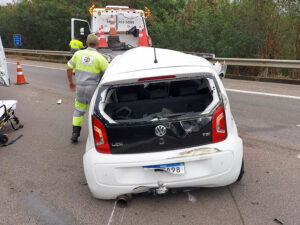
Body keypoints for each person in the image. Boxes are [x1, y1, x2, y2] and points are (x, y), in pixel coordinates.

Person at [67, 34, 109, 143]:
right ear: (98, 44)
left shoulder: (78, 54)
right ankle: (95, 136)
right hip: (93, 89)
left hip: (80, 87)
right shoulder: (101, 58)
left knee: (79, 110)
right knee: (95, 112)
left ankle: (75, 133)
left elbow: (68, 69)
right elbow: (107, 74)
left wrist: (71, 82)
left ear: (86, 43)